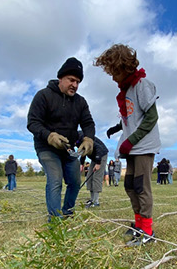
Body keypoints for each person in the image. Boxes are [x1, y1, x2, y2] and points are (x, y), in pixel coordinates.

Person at [96, 43, 160, 246]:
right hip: (132, 148)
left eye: (114, 72)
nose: (112, 77)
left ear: (125, 68)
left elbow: (151, 117)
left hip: (143, 146)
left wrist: (131, 140)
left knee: (141, 187)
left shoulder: (142, 85)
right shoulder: (127, 90)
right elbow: (133, 116)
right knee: (130, 185)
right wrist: (117, 128)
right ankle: (139, 224)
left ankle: (147, 232)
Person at [27, 58, 96, 221]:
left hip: (68, 149)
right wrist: (49, 135)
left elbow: (88, 122)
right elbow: (32, 123)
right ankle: (55, 220)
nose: (75, 85)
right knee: (55, 179)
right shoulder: (43, 95)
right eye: (71, 80)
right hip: (46, 148)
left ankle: (68, 212)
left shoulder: (80, 102)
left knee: (74, 181)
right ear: (61, 78)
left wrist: (88, 138)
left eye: (78, 81)